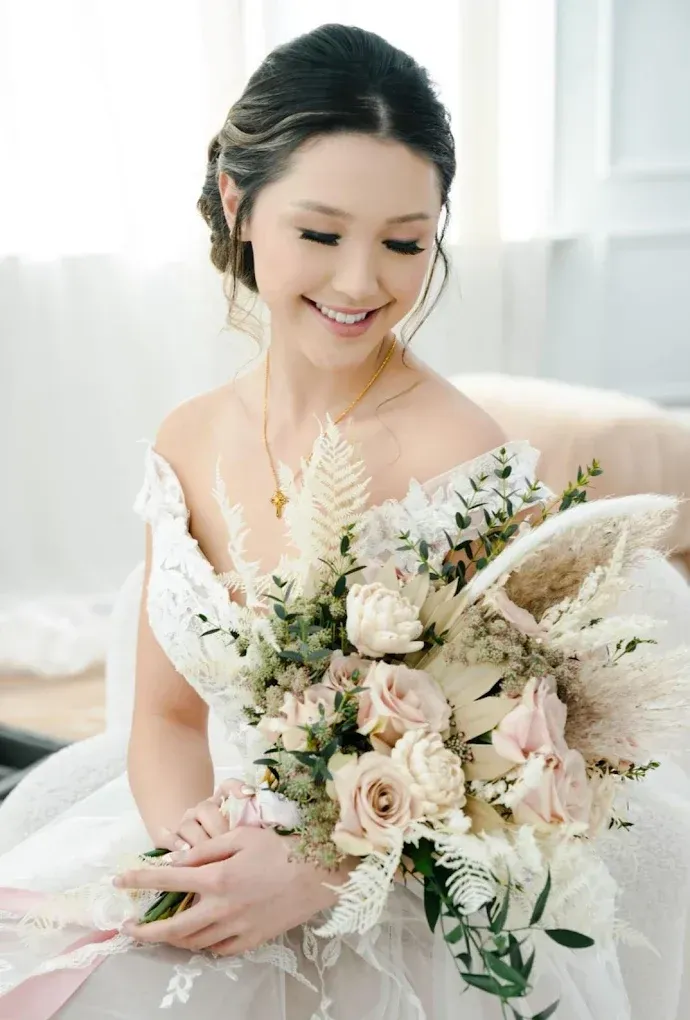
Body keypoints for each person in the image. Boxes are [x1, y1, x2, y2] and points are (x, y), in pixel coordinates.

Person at [0, 23, 688, 1020]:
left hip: (400, 895)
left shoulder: (461, 457)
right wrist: (191, 850)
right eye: (321, 234)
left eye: (405, 242)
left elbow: (518, 758)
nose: (362, 283)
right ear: (238, 202)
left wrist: (318, 869)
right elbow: (164, 717)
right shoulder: (187, 439)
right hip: (221, 835)